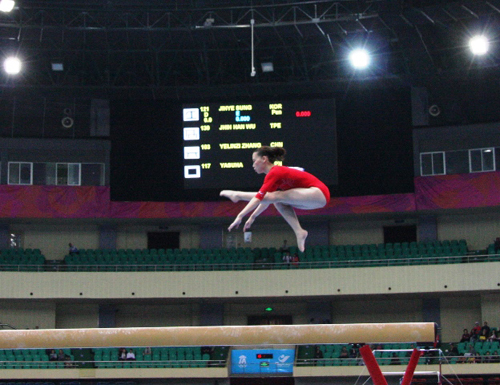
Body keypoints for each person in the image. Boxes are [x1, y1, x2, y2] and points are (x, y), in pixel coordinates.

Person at [220, 146, 330, 252]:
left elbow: (259, 197)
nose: (253, 165)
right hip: (314, 200)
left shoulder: (275, 171)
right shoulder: (274, 176)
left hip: (319, 193)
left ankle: (238, 195)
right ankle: (299, 231)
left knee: (277, 196)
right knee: (277, 200)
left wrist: (240, 215)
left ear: (264, 159)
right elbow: (267, 200)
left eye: (254, 161)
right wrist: (253, 217)